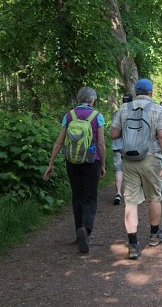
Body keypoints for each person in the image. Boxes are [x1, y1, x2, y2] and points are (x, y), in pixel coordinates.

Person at [110, 78, 162, 260]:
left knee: (131, 202)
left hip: (129, 160)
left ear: (136, 91)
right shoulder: (157, 109)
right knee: (154, 197)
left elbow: (113, 134)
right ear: (151, 92)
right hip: (151, 158)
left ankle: (133, 244)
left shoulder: (124, 108)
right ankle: (154, 235)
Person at [44, 86, 106, 254]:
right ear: (92, 99)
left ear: (78, 99)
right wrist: (103, 165)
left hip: (72, 161)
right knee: (90, 197)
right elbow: (101, 143)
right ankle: (86, 230)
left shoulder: (69, 116)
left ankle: (79, 230)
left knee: (77, 196)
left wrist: (51, 163)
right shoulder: (97, 116)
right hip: (92, 161)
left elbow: (59, 141)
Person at [110, 93, 133, 205]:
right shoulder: (136, 113)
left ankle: (118, 193)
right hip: (131, 146)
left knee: (119, 169)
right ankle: (130, 194)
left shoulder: (116, 114)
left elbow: (112, 132)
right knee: (131, 169)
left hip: (117, 146)